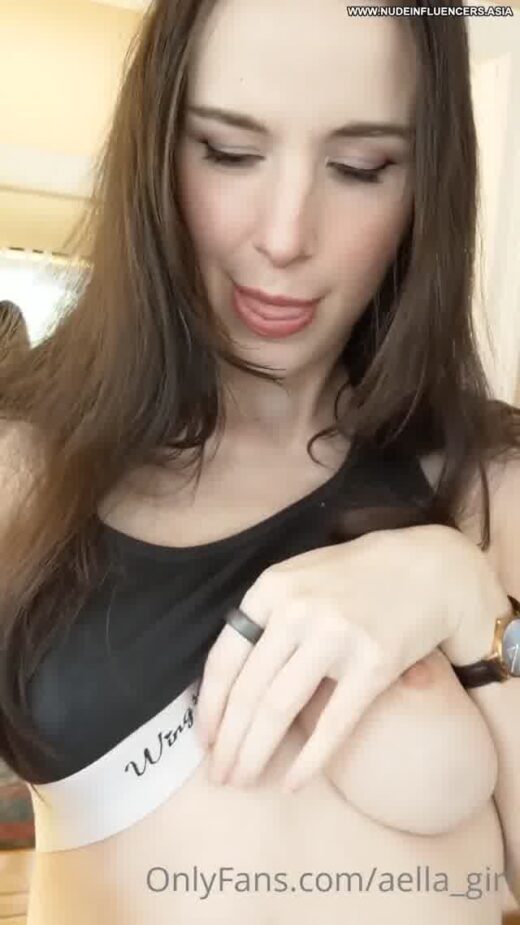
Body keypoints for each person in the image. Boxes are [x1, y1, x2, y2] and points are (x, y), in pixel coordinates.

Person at [0, 0, 519, 922]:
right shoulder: (25, 463)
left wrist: (469, 601)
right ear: (156, 152)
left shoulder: (491, 479)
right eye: (229, 152)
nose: (284, 235)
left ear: (427, 184)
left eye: (361, 167)